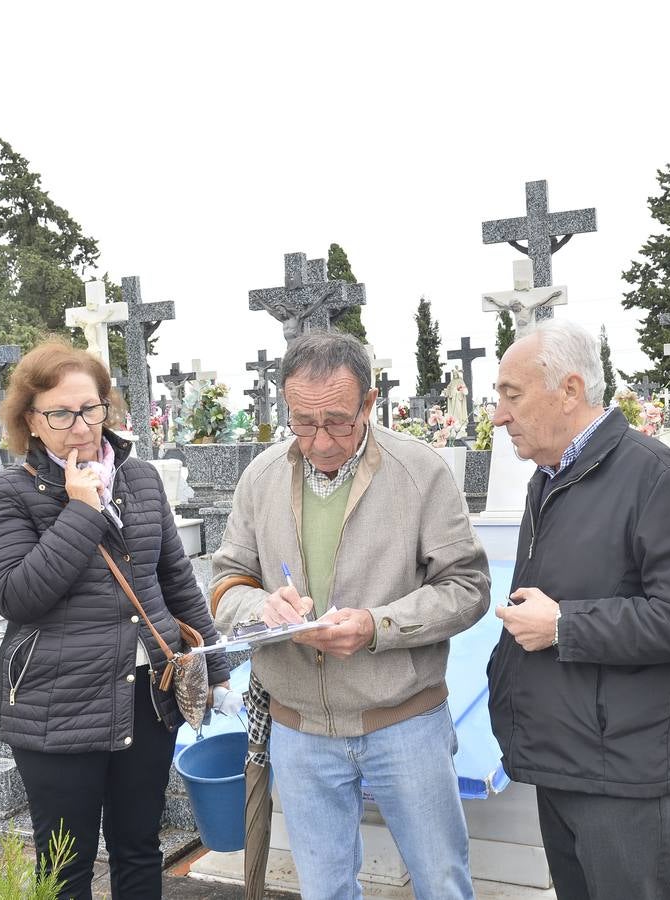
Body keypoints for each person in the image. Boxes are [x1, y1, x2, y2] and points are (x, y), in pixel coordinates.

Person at [211, 331, 490, 900]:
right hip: (299, 729)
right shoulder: (261, 478)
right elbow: (224, 582)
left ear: (369, 402)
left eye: (337, 421)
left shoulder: (420, 472)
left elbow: (468, 587)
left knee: (441, 883)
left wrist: (377, 627)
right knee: (325, 891)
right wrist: (262, 608)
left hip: (404, 721)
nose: (319, 441)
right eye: (302, 423)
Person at [0, 340, 234, 899]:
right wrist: (81, 510)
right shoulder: (8, 494)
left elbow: (175, 580)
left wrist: (215, 667)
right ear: (31, 421)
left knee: (139, 847)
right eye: (60, 414)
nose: (80, 427)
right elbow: (17, 595)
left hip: (148, 695)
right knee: (66, 865)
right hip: (57, 703)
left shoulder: (140, 479)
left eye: (90, 408)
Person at [486, 320, 670, 900]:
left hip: (619, 771)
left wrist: (565, 626)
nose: (498, 416)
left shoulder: (655, 477)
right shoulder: (547, 477)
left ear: (569, 391)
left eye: (511, 396)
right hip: (559, 754)